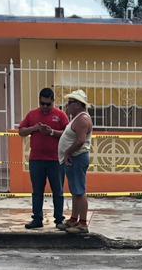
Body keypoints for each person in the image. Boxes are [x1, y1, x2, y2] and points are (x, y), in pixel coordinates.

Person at [17, 88, 69, 229]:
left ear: (53, 101)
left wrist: (51, 132)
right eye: (42, 104)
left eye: (48, 104)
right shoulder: (32, 115)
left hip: (55, 160)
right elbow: (21, 131)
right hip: (37, 160)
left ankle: (59, 220)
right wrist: (34, 128)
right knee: (37, 191)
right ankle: (37, 219)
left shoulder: (60, 115)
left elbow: (68, 134)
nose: (45, 107)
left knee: (57, 191)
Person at [59, 90, 93, 235]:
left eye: (71, 103)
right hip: (74, 158)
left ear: (78, 105)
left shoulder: (82, 120)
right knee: (75, 191)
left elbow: (80, 140)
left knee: (79, 191)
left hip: (77, 157)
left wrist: (67, 152)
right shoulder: (77, 118)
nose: (68, 105)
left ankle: (83, 223)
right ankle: (74, 219)